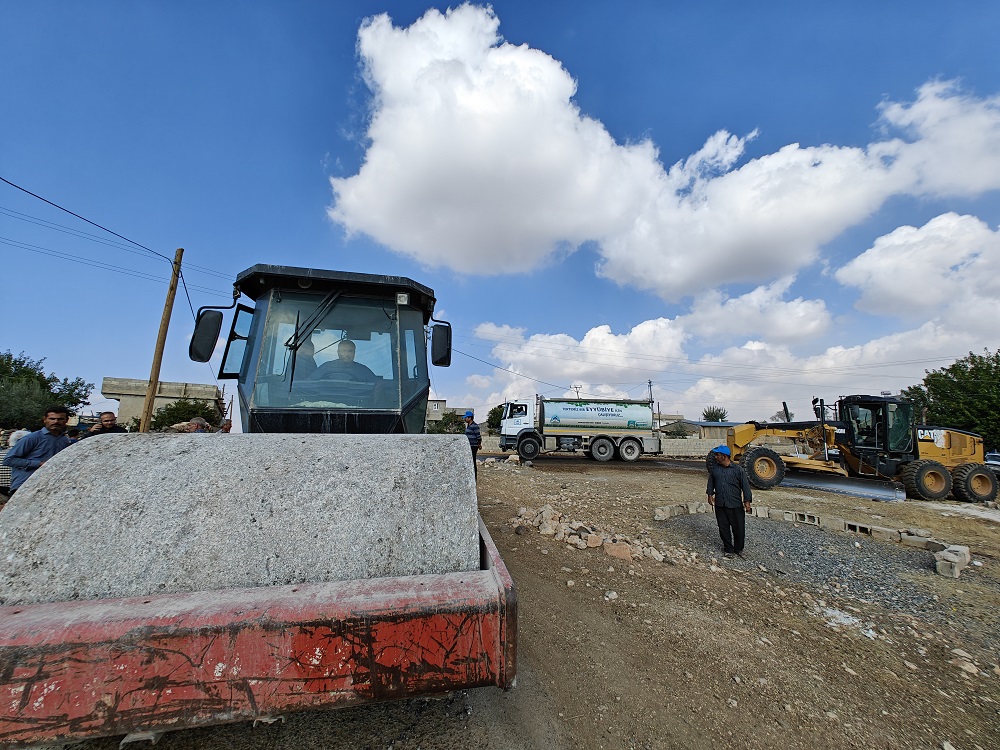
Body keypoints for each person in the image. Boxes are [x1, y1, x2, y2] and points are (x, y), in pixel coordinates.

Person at [2, 406, 72, 495]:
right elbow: (9, 460)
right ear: (45, 419)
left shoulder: (64, 440)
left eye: (60, 419)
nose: (56, 422)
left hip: (48, 488)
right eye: (52, 419)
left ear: (66, 420)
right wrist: (39, 464)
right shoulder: (32, 438)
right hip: (24, 487)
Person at [706, 445, 752, 558]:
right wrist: (710, 494)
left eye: (717, 455)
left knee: (739, 528)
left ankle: (739, 549)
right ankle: (728, 549)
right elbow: (711, 481)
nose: (716, 457)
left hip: (735, 504)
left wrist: (747, 501)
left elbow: (745, 486)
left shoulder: (738, 470)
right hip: (720, 504)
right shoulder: (715, 469)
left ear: (724, 456)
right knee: (723, 527)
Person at [309, 339, 376, 382]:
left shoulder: (363, 370)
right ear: (338, 352)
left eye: (350, 351)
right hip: (324, 403)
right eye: (343, 351)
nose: (346, 354)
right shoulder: (326, 367)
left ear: (354, 353)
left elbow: (379, 386)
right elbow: (308, 383)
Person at [463, 410, 482, 478]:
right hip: (469, 446)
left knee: (473, 461)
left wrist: (479, 445)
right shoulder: (468, 426)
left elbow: (479, 437)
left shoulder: (474, 426)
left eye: (466, 418)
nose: (464, 419)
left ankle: (474, 478)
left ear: (470, 418)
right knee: (469, 461)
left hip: (473, 446)